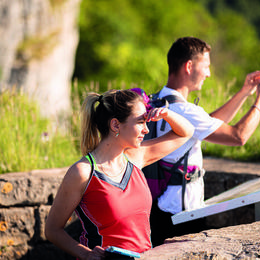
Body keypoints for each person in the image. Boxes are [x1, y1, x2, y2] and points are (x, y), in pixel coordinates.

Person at [150, 36, 260, 246]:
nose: (208, 73)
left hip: (158, 207)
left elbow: (207, 124)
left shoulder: (157, 100)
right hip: (181, 215)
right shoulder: (185, 111)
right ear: (189, 66)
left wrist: (244, 91)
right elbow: (238, 136)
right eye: (206, 66)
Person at [45, 89, 194, 260]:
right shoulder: (83, 172)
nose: (146, 130)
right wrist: (85, 254)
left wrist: (167, 114)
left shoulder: (136, 158)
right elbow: (52, 230)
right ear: (115, 125)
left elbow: (186, 132)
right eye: (140, 122)